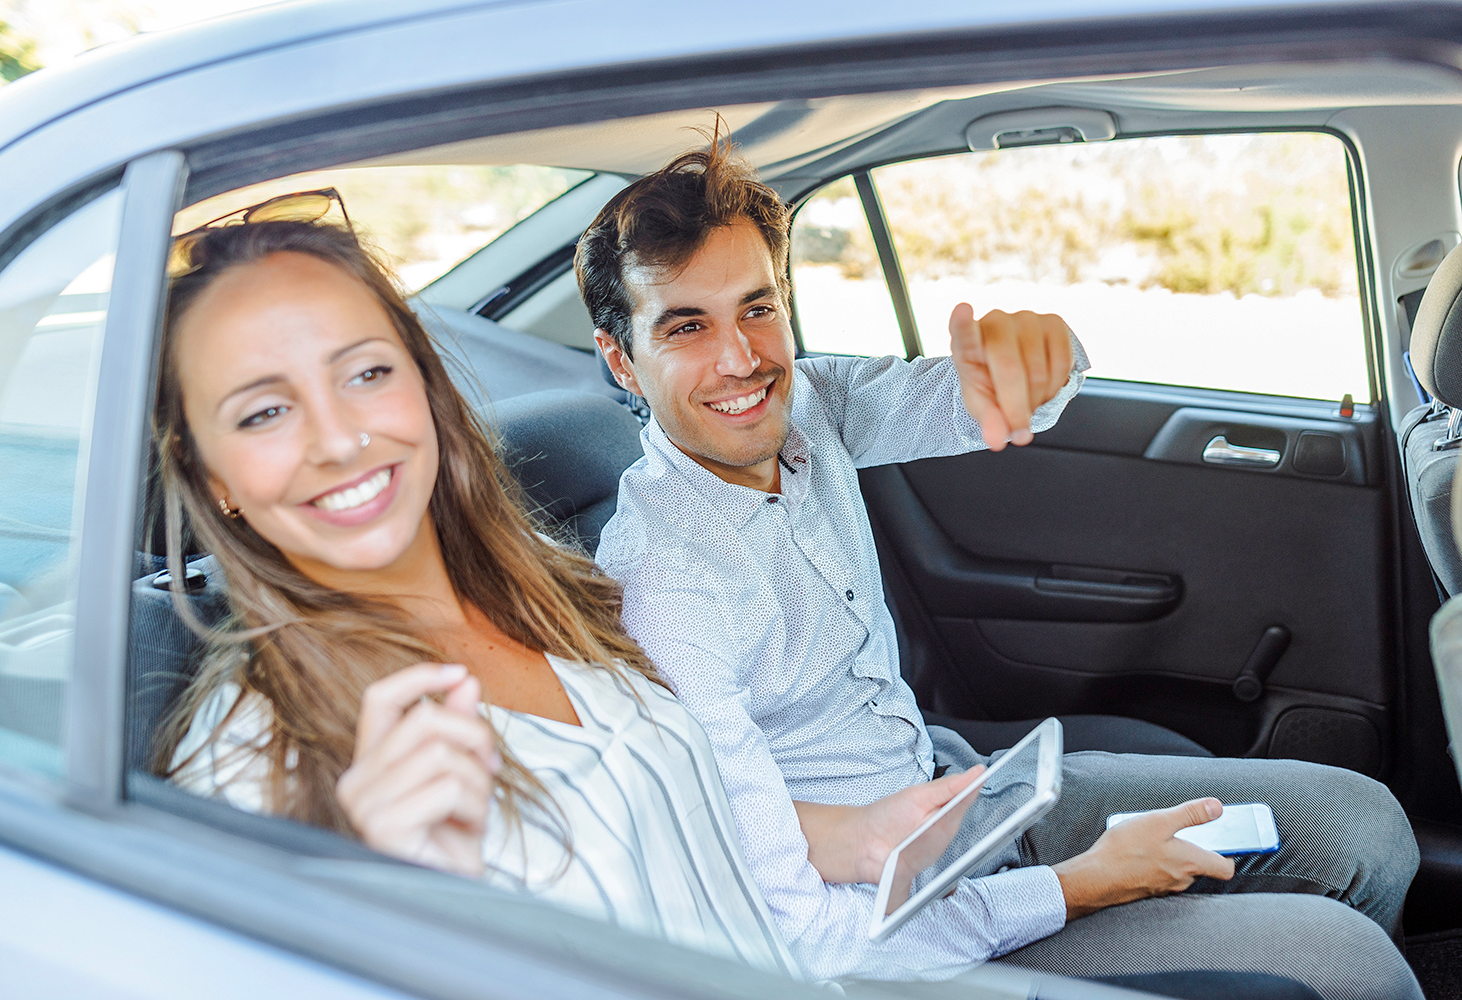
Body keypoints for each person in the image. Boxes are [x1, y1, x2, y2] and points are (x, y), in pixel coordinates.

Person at [582, 138, 1422, 999]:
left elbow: (981, 394)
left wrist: (1041, 355)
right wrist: (1086, 884)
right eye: (687, 326)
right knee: (1352, 970)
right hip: (896, 933)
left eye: (757, 308)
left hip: (959, 800)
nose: (741, 358)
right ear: (620, 358)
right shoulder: (664, 587)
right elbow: (817, 947)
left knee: (1368, 828)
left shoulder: (811, 407)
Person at [147, 210, 994, 978]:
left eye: (366, 373)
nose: (338, 438)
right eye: (262, 412)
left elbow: (661, 813)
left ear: (426, 390)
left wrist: (853, 837)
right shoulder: (254, 760)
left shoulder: (547, 588)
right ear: (207, 472)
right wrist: (391, 914)